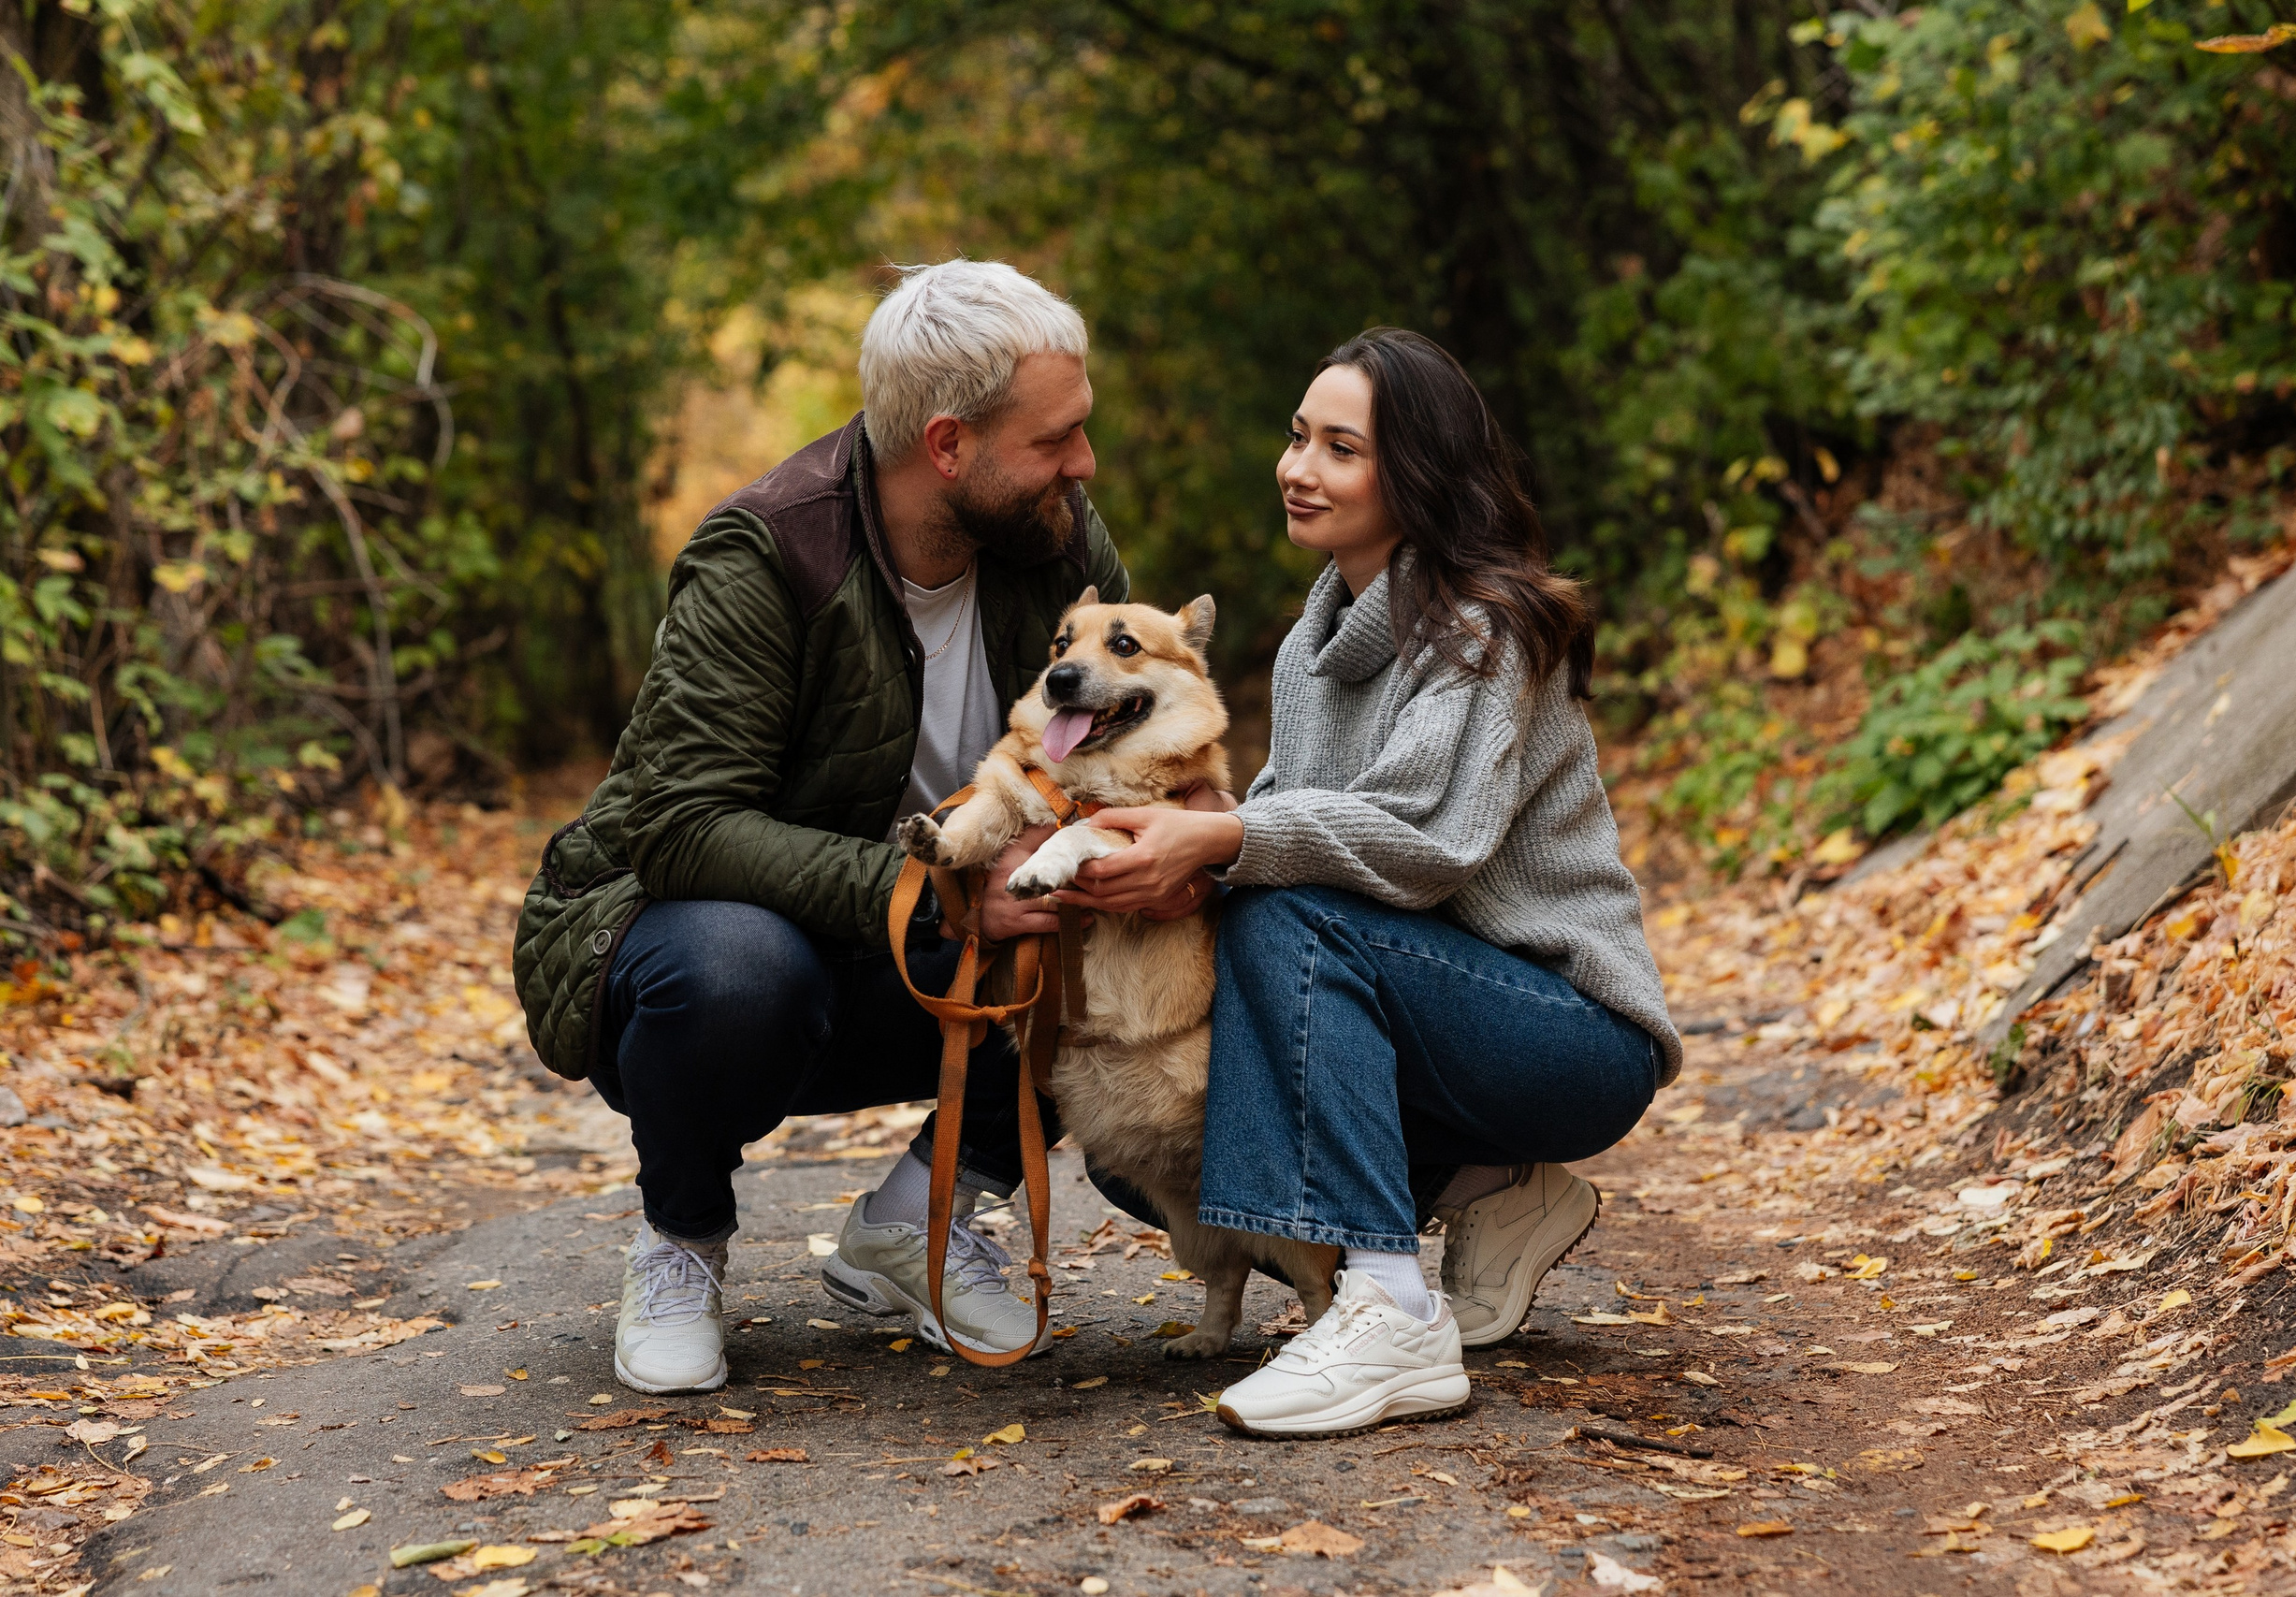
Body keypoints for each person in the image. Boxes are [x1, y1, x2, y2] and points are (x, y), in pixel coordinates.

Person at [511, 260, 1205, 1394]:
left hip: (944, 954)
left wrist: (1183, 829)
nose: (1082, 463)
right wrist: (938, 887)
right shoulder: (767, 554)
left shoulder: (1057, 538)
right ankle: (681, 1241)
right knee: (730, 968)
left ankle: (921, 1215)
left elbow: (1138, 732)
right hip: (745, 942)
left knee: (1095, 908)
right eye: (1054, 439)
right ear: (946, 445)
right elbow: (679, 824)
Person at [1049, 327, 1681, 1436]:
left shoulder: (1486, 628)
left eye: (1341, 449)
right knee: (1159, 1144)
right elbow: (1281, 830)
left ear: (1418, 477)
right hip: (1432, 1011)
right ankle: (1488, 1188)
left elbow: (1425, 840)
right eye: (1298, 437)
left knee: (1289, 910)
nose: (1298, 468)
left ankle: (1387, 1308)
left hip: (1565, 1026)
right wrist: (1170, 856)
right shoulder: (1312, 645)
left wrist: (1221, 839)